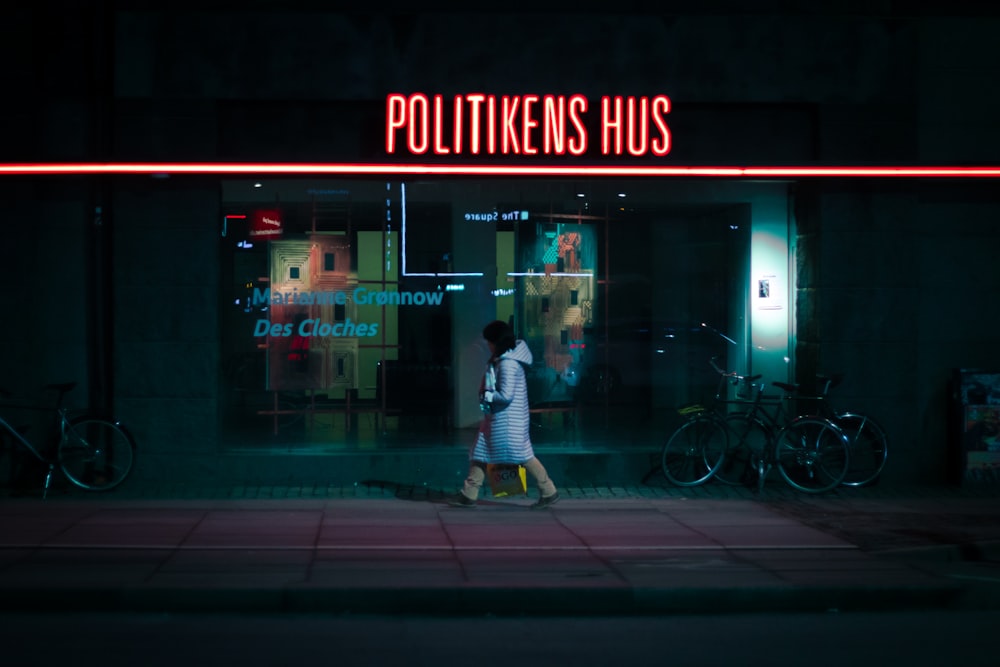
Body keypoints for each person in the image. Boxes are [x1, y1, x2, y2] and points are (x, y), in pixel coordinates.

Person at [447, 320, 560, 509]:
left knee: (520, 455)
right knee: (481, 452)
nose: (487, 345)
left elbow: (506, 395)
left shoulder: (508, 364)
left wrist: (487, 395)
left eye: (489, 341)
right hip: (502, 420)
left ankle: (548, 490)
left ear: (497, 342)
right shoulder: (506, 361)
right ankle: (469, 493)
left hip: (506, 421)